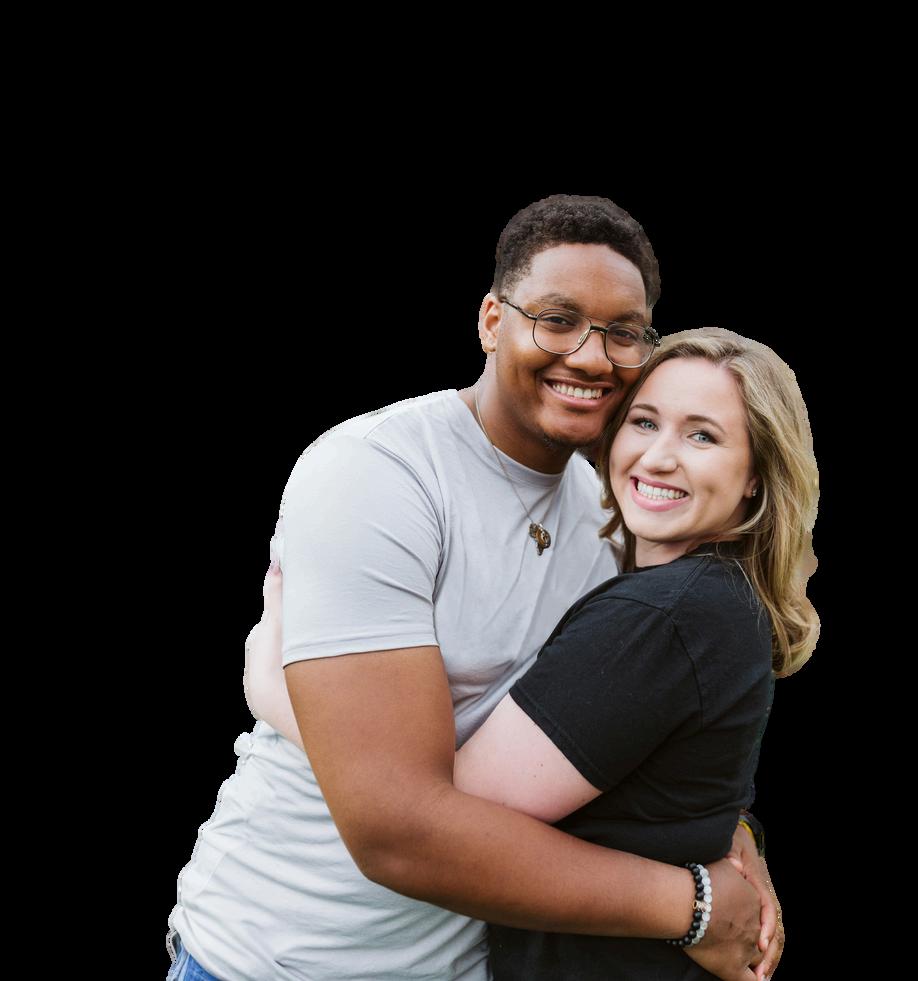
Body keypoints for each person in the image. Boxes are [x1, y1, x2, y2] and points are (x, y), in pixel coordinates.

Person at [166, 194, 784, 981]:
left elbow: (629, 728)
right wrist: (692, 903)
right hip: (278, 956)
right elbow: (395, 826)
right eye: (557, 319)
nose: (591, 356)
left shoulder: (614, 514)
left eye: (623, 332)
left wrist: (735, 840)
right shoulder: (380, 474)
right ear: (492, 321)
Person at [247, 327, 818, 979]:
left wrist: (272, 687)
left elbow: (442, 808)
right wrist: (736, 837)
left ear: (756, 476)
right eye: (644, 422)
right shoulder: (705, 595)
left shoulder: (664, 614)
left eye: (702, 436)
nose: (659, 457)